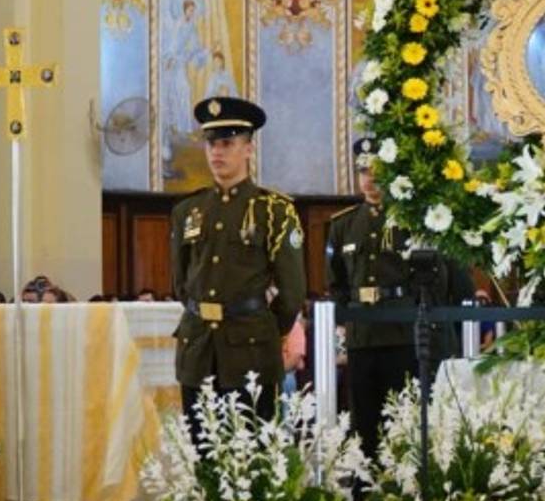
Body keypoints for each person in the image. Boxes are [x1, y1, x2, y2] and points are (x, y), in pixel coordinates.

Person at [326, 136, 475, 454]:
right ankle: (363, 494)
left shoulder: (413, 221)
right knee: (364, 425)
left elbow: (440, 281)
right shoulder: (344, 225)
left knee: (405, 422)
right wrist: (346, 321)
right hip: (362, 337)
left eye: (378, 171)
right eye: (363, 171)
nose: (370, 179)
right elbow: (337, 283)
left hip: (403, 334)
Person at [170, 96, 307, 423]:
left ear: (248, 149)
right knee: (203, 452)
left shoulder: (272, 210)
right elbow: (180, 283)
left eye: (228, 143)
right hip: (198, 348)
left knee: (254, 458)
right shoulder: (188, 211)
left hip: (251, 350)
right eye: (212, 144)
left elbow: (292, 293)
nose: (217, 152)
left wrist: (263, 328)